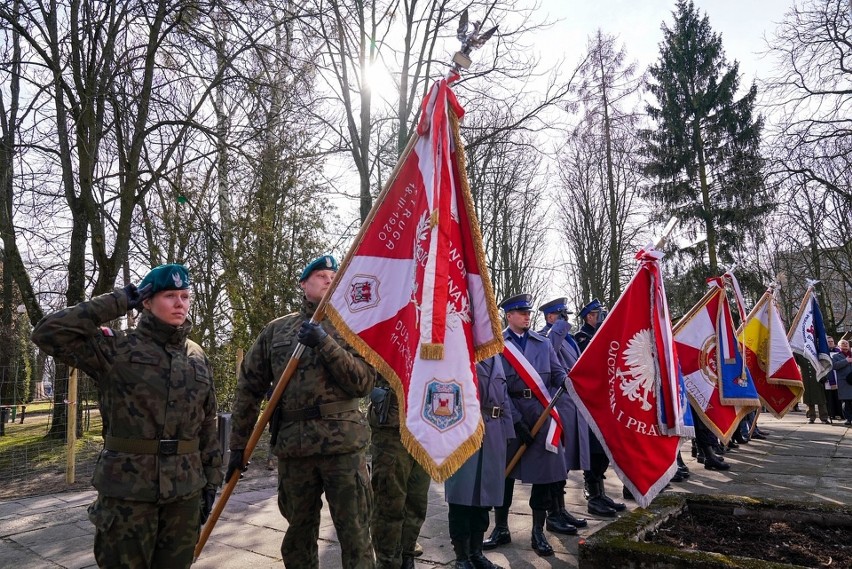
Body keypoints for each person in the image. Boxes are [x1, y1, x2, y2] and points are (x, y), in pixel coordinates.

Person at [31, 263, 222, 568]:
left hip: (185, 493)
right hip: (128, 496)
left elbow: (208, 424)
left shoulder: (197, 355)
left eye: (185, 296)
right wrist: (122, 299)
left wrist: (211, 481)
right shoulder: (116, 348)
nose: (180, 304)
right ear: (147, 301)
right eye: (170, 295)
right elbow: (46, 332)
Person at [227, 255, 376, 569]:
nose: (328, 280)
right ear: (303, 283)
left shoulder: (354, 327)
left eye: (333, 276)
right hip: (295, 448)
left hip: (343, 447)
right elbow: (248, 388)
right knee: (298, 534)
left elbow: (362, 383)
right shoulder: (276, 331)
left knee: (356, 532)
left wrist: (324, 342)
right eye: (321, 275)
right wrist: (239, 445)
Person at [483, 293, 569, 557]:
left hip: (541, 417)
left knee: (544, 476)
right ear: (509, 316)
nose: (527, 316)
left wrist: (567, 380)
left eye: (529, 313)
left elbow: (557, 373)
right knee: (505, 475)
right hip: (511, 417)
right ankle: (501, 528)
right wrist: (518, 422)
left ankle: (537, 531)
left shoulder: (543, 344)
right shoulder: (499, 345)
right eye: (522, 313)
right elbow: (499, 387)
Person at [444, 356, 514, 569]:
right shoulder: (460, 350)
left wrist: (507, 432)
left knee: (484, 498)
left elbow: (505, 399)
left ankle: (476, 553)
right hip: (465, 433)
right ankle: (462, 557)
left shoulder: (497, 358)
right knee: (461, 498)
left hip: (494, 435)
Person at [537, 298, 589, 533]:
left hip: (572, 403)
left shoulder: (568, 338)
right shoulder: (544, 337)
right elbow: (549, 351)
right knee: (555, 462)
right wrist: (557, 328)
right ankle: (552, 513)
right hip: (558, 404)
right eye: (561, 315)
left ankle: (561, 508)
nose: (565, 320)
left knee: (565, 463)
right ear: (550, 317)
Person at [369, 374, 430, 569]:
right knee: (389, 502)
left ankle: (407, 555)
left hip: (426, 424)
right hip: (392, 428)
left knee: (417, 501)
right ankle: (388, 562)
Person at [574, 299, 625, 517]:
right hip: (591, 403)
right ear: (589, 317)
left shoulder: (602, 336)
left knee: (605, 450)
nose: (602, 317)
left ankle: (601, 493)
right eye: (598, 314)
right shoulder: (581, 339)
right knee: (595, 450)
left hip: (607, 402)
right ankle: (593, 495)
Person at [798, 352, 830, 424]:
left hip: (818, 379)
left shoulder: (816, 353)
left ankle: (824, 417)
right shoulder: (801, 354)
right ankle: (811, 417)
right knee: (809, 399)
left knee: (821, 400)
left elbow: (824, 364)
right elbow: (794, 356)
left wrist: (824, 376)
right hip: (806, 380)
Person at [831, 339, 852, 426]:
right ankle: (848, 419)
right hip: (844, 382)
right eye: (843, 343)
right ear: (839, 346)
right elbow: (834, 366)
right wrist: (846, 361)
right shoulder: (836, 356)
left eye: (846, 343)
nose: (845, 345)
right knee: (846, 402)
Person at [824, 337, 842, 421]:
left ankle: (841, 413)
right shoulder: (824, 352)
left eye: (832, 341)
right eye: (829, 342)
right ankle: (831, 414)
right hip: (828, 378)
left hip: (838, 377)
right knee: (830, 398)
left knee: (839, 397)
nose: (831, 343)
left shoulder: (839, 352)